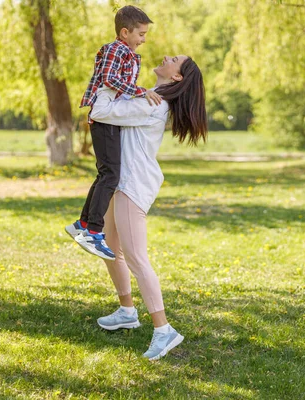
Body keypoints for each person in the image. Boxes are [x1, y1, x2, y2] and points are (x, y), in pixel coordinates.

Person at [88, 55, 207, 360]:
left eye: (175, 60)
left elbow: (101, 111)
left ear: (177, 77)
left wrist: (105, 81)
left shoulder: (152, 104)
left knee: (137, 259)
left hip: (132, 185)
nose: (168, 56)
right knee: (111, 248)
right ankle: (127, 309)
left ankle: (164, 330)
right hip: (122, 182)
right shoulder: (147, 97)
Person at [65, 5, 162, 261]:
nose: (144, 39)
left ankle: (83, 225)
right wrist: (141, 91)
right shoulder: (116, 49)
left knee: (107, 173)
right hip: (104, 119)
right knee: (111, 175)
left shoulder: (126, 52)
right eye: (141, 34)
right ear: (125, 32)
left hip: (109, 120)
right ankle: (94, 230)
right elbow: (109, 79)